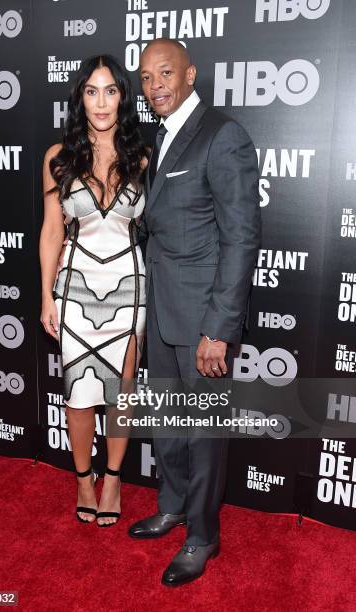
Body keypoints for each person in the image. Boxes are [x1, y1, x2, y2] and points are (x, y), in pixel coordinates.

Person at [128, 39, 261, 586]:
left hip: (203, 318)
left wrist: (219, 329)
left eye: (165, 73)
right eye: (146, 77)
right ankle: (174, 504)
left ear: (190, 74)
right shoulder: (158, 138)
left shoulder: (222, 135)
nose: (155, 84)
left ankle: (203, 536)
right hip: (160, 310)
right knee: (168, 423)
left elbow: (241, 237)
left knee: (203, 432)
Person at [39, 55, 148, 527]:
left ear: (123, 96)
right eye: (91, 91)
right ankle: (83, 478)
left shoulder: (143, 156)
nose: (101, 102)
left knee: (121, 393)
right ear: (79, 97)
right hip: (75, 287)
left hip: (130, 287)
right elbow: (50, 233)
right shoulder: (58, 158)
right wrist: (46, 296)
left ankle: (114, 477)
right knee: (79, 394)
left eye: (110, 90)